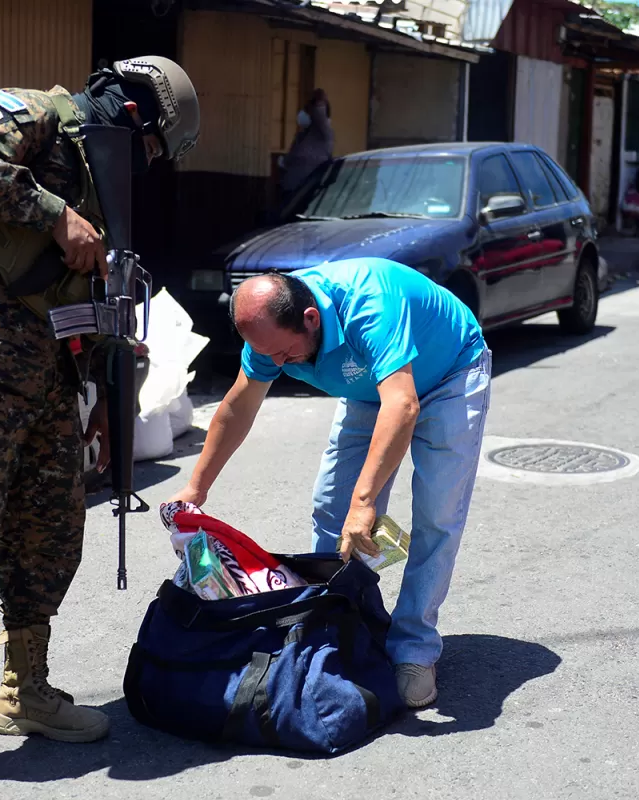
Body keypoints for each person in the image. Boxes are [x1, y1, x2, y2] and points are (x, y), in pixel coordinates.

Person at [0, 56, 199, 800]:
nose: (148, 164)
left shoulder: (101, 183)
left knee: (52, 533)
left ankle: (24, 689)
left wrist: (114, 334)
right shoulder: (39, 114)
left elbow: (71, 295)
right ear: (137, 115)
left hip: (45, 379)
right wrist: (54, 214)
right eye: (155, 147)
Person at [168, 258, 491, 709]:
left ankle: (414, 649)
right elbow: (237, 407)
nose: (277, 364)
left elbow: (403, 405)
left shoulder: (370, 303)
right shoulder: (270, 337)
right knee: (330, 507)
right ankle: (339, 623)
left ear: (311, 318)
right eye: (268, 356)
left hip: (451, 372)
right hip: (369, 388)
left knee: (437, 513)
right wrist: (196, 487)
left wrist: (366, 503)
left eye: (284, 353)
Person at [278, 88, 334, 209]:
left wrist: (319, 100)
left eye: (308, 111)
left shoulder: (323, 133)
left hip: (306, 192)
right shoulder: (302, 135)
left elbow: (319, 115)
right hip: (289, 189)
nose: (303, 114)